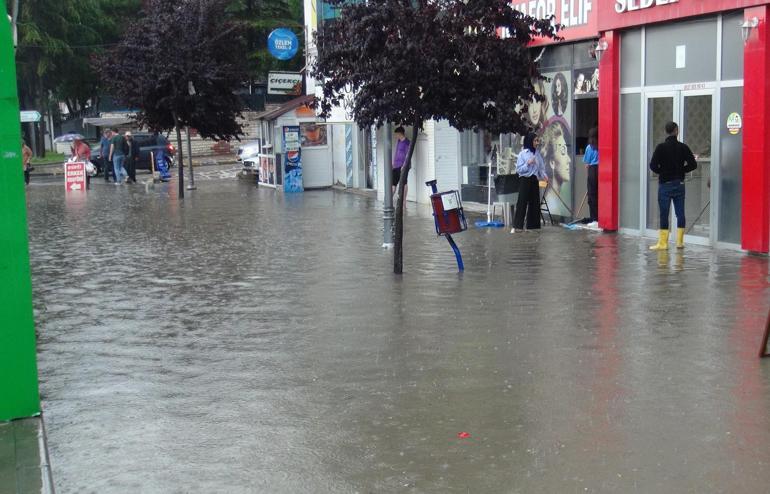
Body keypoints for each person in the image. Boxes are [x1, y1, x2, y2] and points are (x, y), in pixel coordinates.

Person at [648, 121, 697, 250]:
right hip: (679, 183)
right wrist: (681, 170)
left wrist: (662, 172)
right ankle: (680, 242)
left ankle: (663, 243)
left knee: (664, 213)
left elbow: (652, 165)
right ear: (676, 131)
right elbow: (693, 165)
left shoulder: (660, 147)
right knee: (680, 213)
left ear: (666, 131)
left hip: (665, 184)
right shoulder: (683, 147)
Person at [512, 133, 547, 233]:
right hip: (525, 180)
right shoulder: (523, 154)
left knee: (534, 203)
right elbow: (519, 170)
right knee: (522, 203)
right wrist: (528, 163)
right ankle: (517, 226)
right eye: (535, 141)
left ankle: (532, 227)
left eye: (537, 141)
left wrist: (544, 176)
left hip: (534, 180)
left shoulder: (537, 154)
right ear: (530, 141)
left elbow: (541, 168)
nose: (537, 143)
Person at [540, 117, 573, 217]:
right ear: (552, 163)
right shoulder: (552, 206)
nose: (569, 160)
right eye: (563, 153)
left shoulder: (557, 201)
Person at [583, 127, 599, 225]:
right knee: (600, 195)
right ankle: (601, 218)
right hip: (602, 170)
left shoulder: (589, 147)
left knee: (592, 195)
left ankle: (594, 219)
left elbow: (587, 163)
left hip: (593, 170)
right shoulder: (602, 145)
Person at [392, 126, 410, 203]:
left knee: (404, 182)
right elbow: (396, 152)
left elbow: (407, 154)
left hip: (403, 166)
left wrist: (404, 166)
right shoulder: (398, 141)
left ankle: (404, 201)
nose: (396, 136)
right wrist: (393, 162)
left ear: (400, 133)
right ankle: (390, 199)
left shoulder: (407, 142)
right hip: (396, 165)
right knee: (393, 182)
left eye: (396, 134)